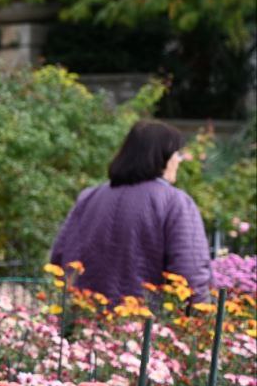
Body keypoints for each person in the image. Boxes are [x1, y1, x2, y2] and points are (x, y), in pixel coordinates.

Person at [50, 120, 212, 303]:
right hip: (144, 324)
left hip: (86, 319)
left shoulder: (89, 198)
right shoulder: (175, 202)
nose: (179, 160)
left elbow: (59, 257)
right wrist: (200, 317)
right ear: (163, 157)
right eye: (177, 154)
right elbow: (190, 271)